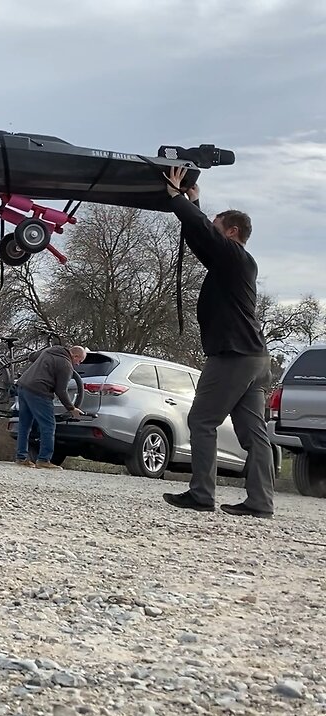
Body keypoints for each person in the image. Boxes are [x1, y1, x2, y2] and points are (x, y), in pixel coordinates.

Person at [160, 165, 274, 519]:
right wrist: (195, 202)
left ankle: (201, 494)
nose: (212, 228)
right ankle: (260, 502)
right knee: (253, 432)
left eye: (218, 225)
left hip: (233, 355)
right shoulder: (234, 262)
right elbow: (201, 239)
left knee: (202, 420)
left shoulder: (234, 256)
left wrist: (177, 197)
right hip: (255, 358)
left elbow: (202, 233)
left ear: (234, 232)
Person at [14, 344, 88, 469]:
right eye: (79, 360)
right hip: (39, 391)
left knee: (25, 424)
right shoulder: (66, 365)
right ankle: (44, 459)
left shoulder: (51, 350)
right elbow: (61, 390)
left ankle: (21, 457)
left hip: (23, 387)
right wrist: (71, 408)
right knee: (48, 425)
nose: (78, 364)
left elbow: (32, 357)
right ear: (74, 356)